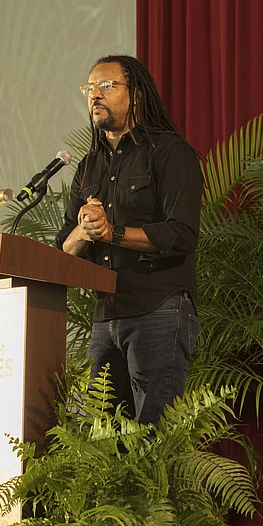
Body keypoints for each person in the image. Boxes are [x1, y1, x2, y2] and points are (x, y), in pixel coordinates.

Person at [56, 55, 203, 425]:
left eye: (107, 86)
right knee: (102, 440)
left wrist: (112, 233)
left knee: (154, 438)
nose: (95, 95)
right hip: (106, 316)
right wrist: (83, 231)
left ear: (136, 94)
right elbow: (64, 247)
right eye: (89, 88)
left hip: (160, 308)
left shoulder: (170, 152)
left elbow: (181, 233)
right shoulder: (88, 166)